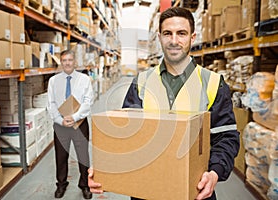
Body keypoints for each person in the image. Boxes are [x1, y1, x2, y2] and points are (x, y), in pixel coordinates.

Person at [88, 7, 240, 200]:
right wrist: (106, 169)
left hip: (193, 191)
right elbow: (126, 137)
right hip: (146, 190)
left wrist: (214, 173)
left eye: (181, 34)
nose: (174, 41)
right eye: (168, 33)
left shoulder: (212, 83)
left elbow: (226, 137)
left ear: (192, 38)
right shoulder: (141, 82)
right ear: (159, 37)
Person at [47, 50, 93, 199]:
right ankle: (61, 184)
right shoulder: (53, 81)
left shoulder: (84, 79)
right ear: (61, 62)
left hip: (79, 123)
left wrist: (74, 117)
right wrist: (60, 120)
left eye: (70, 60)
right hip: (60, 125)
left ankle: (85, 184)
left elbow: (88, 101)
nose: (67, 63)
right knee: (61, 156)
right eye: (64, 60)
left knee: (83, 156)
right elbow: (51, 103)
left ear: (75, 62)